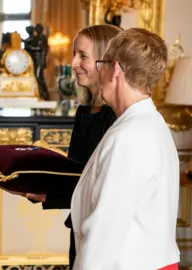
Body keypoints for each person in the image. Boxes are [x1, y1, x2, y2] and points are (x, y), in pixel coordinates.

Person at [71, 28, 179, 269]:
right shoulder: (150, 123)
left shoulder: (129, 137)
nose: (100, 72)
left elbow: (104, 233)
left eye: (102, 64)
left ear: (116, 69)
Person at [20, 24, 121, 268]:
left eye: (82, 56)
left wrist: (49, 195)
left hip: (104, 240)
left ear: (106, 61)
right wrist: (43, 194)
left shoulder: (116, 118)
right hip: (80, 229)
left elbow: (105, 192)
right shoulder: (85, 112)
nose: (74, 63)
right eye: (74, 54)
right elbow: (79, 178)